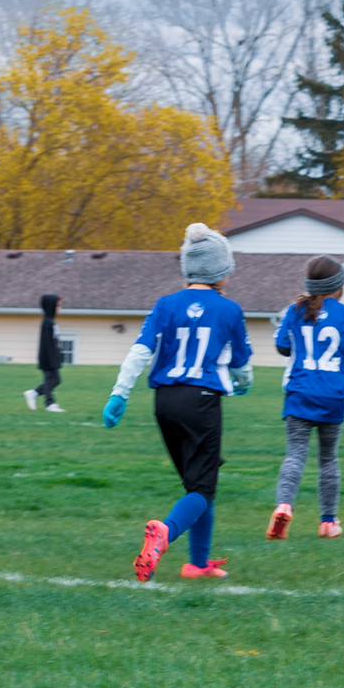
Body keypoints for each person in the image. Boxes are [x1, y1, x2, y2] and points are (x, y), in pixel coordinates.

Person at [103, 224, 255, 581]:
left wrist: (119, 394)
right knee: (202, 488)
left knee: (199, 485)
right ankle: (165, 533)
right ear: (222, 270)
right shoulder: (229, 309)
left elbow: (140, 351)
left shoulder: (165, 304)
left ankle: (197, 564)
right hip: (202, 402)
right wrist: (245, 383)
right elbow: (242, 361)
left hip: (165, 402)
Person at [267, 256, 344, 541]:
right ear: (338, 287)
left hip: (300, 392)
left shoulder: (294, 310)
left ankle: (284, 505)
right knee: (328, 459)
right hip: (333, 394)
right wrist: (343, 369)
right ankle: (327, 521)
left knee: (295, 455)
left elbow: (281, 347)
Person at [24, 294, 66, 413]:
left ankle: (34, 393)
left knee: (54, 380)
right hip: (48, 359)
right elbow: (47, 344)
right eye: (58, 306)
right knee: (52, 380)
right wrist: (52, 359)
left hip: (52, 358)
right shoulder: (47, 323)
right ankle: (49, 403)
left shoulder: (51, 322)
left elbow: (55, 341)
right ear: (51, 306)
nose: (59, 308)